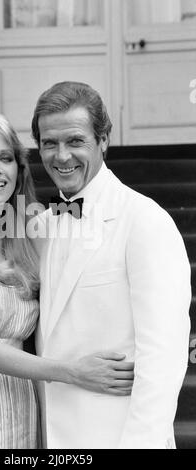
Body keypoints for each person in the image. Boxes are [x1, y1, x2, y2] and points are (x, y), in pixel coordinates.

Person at [0, 112, 134, 449]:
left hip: (21, 401)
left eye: (6, 158)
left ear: (19, 170)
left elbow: (97, 242)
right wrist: (73, 372)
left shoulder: (23, 233)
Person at [29, 81, 191, 449]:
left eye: (75, 141)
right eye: (49, 143)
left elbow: (163, 359)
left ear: (103, 139)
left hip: (118, 436)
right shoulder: (39, 228)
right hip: (50, 439)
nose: (61, 155)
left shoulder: (145, 221)